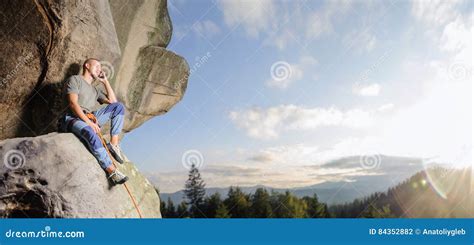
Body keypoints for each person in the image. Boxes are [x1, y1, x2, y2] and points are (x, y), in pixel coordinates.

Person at [59, 58, 128, 184]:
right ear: (87, 65)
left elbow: (114, 103)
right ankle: (111, 171)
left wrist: (105, 81)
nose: (99, 69)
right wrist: (89, 123)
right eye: (96, 66)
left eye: (100, 67)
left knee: (119, 107)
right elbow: (73, 104)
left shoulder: (95, 90)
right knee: (90, 131)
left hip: (90, 117)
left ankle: (113, 144)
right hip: (72, 118)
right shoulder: (75, 80)